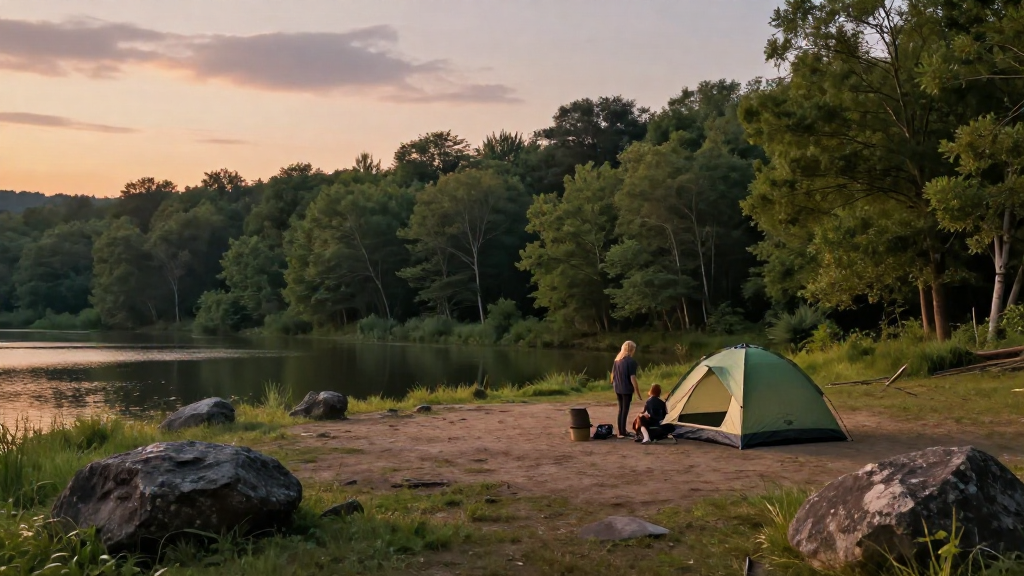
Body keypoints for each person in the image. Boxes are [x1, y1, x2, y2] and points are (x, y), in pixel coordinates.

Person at [610, 340, 642, 438]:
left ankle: (621, 430)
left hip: (618, 387)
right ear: (632, 349)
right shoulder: (631, 362)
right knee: (625, 410)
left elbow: (612, 375)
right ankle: (623, 432)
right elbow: (632, 378)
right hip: (626, 388)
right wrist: (637, 392)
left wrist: (614, 384)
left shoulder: (617, 360)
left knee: (621, 409)